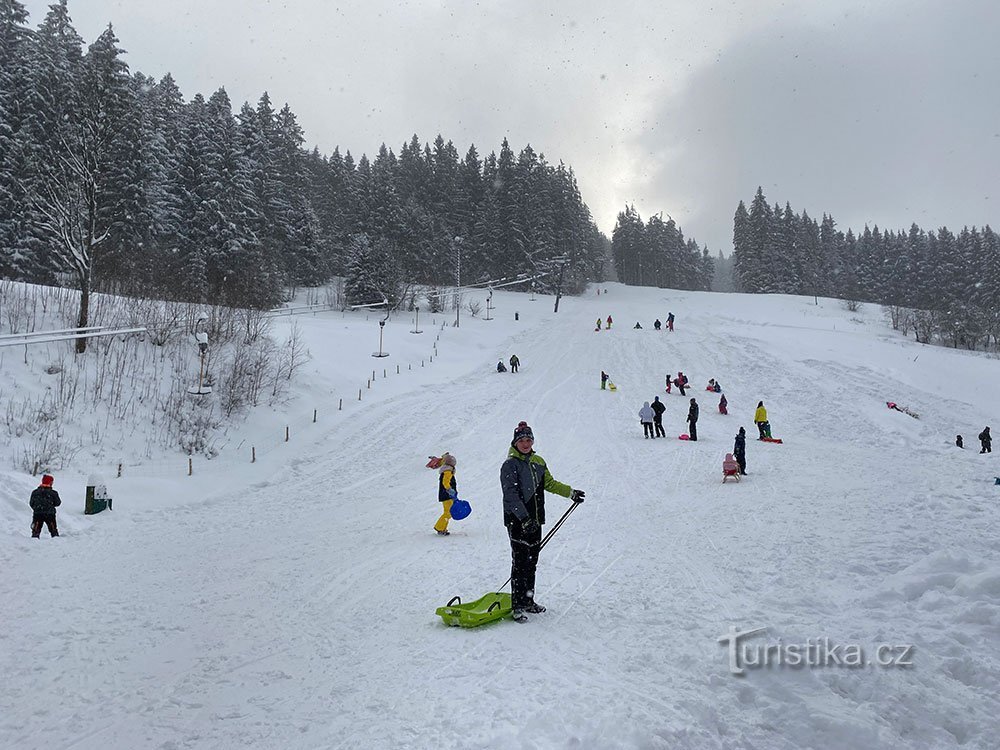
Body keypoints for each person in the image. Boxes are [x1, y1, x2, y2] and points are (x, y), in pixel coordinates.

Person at [501, 422, 584, 622]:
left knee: (532, 562)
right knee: (520, 563)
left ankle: (528, 601)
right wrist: (524, 519)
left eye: (529, 439)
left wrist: (571, 493)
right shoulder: (510, 465)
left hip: (536, 520)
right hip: (517, 521)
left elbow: (550, 483)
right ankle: (518, 605)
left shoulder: (538, 462)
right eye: (522, 440)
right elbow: (510, 495)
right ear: (515, 442)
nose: (526, 443)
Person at [30, 474, 61, 538]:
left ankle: (33, 543)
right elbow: (58, 503)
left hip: (37, 514)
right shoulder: (53, 493)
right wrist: (50, 505)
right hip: (50, 514)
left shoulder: (35, 492)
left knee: (36, 531)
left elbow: (31, 503)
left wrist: (37, 508)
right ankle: (56, 542)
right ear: (50, 483)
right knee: (53, 530)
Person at [434, 453, 458, 535]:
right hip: (446, 494)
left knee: (448, 512)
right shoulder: (447, 471)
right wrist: (450, 490)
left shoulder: (447, 470)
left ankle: (442, 528)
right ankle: (439, 527)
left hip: (446, 494)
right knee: (448, 512)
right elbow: (445, 482)